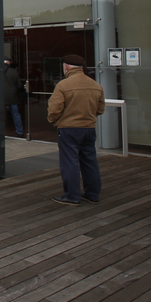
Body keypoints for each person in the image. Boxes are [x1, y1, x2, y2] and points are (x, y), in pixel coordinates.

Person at [47, 54, 105, 207]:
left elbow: (54, 109)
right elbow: (100, 109)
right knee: (89, 161)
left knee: (69, 162)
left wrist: (53, 120)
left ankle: (72, 195)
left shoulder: (63, 85)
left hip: (68, 128)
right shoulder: (95, 85)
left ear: (66, 67)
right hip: (89, 128)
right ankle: (92, 194)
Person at [3, 57, 25, 137]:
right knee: (15, 114)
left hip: (0, 96)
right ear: (8, 62)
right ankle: (19, 131)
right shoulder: (13, 71)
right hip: (12, 95)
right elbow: (19, 85)